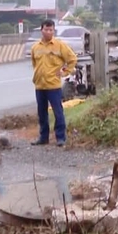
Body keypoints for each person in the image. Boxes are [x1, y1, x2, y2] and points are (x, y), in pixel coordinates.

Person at [30, 19, 77, 147]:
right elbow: (34, 63)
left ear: (53, 30)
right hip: (40, 85)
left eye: (51, 30)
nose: (48, 32)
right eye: (46, 29)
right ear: (41, 30)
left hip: (53, 85)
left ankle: (60, 137)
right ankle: (43, 137)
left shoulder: (59, 45)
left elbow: (72, 59)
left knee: (57, 111)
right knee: (42, 112)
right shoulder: (36, 47)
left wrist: (65, 72)